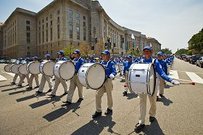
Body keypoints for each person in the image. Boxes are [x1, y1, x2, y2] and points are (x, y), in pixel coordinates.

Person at [134, 46, 180, 132]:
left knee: (153, 102)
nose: (146, 53)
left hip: (153, 85)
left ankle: (152, 114)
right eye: (145, 51)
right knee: (142, 103)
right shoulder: (140, 61)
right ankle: (141, 122)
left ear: (151, 53)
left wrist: (171, 80)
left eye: (148, 51)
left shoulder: (155, 62)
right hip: (143, 86)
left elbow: (162, 73)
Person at [92, 50, 117, 118]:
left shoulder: (111, 63)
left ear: (108, 56)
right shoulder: (101, 62)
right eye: (102, 55)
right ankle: (98, 111)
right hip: (101, 81)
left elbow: (114, 71)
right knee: (98, 95)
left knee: (109, 95)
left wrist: (112, 75)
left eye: (104, 55)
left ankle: (109, 108)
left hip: (108, 81)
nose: (102, 56)